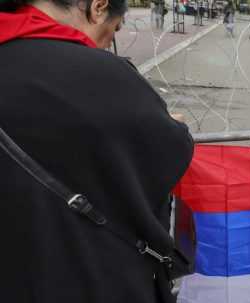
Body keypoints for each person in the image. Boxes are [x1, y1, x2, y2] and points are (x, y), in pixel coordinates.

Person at [0, 1, 194, 303]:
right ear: (98, 7)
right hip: (91, 272)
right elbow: (170, 149)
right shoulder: (102, 75)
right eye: (112, 32)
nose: (105, 44)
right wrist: (173, 127)